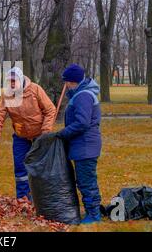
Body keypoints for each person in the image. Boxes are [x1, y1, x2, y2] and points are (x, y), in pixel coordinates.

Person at [0, 67, 56, 200]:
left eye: (14, 81)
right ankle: (23, 198)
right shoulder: (7, 94)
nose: (12, 84)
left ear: (21, 80)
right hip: (20, 135)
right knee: (20, 167)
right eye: (9, 82)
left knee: (39, 166)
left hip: (39, 134)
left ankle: (41, 197)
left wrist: (45, 132)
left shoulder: (35, 90)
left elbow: (50, 110)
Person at [53, 64, 102, 224]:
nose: (65, 85)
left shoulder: (83, 96)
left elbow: (82, 123)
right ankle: (92, 211)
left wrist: (62, 134)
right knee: (84, 180)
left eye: (66, 81)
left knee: (86, 181)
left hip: (86, 146)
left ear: (72, 81)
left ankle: (93, 215)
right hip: (83, 145)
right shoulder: (80, 94)